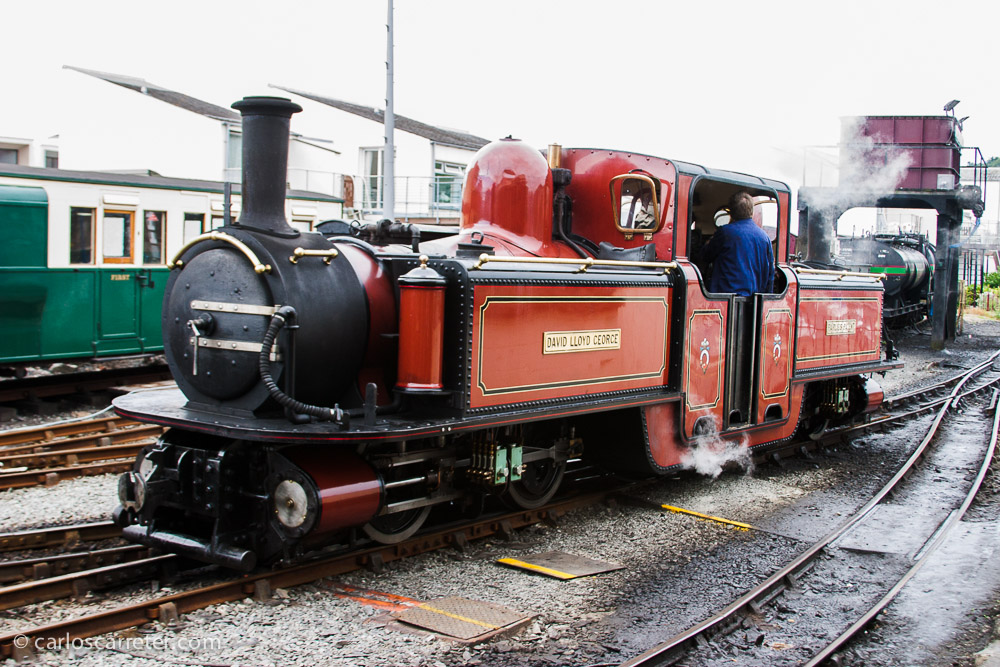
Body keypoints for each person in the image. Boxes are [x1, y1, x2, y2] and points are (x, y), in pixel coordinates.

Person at [702, 191, 773, 296]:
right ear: (751, 212)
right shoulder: (765, 238)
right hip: (753, 301)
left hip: (724, 299)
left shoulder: (725, 232)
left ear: (731, 212)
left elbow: (706, 256)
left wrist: (708, 243)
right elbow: (769, 275)